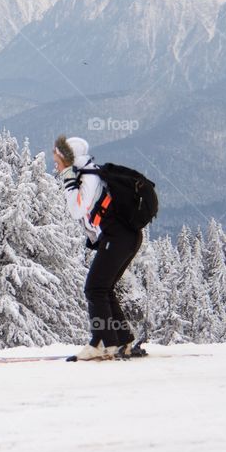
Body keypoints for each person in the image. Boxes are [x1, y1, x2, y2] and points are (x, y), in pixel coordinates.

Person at [52, 135, 143, 360]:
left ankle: (101, 343)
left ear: (68, 159)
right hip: (123, 237)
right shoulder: (87, 173)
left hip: (118, 237)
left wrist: (68, 180)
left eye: (58, 161)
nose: (56, 166)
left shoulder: (88, 177)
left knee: (94, 289)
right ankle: (122, 341)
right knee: (103, 288)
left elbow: (76, 210)